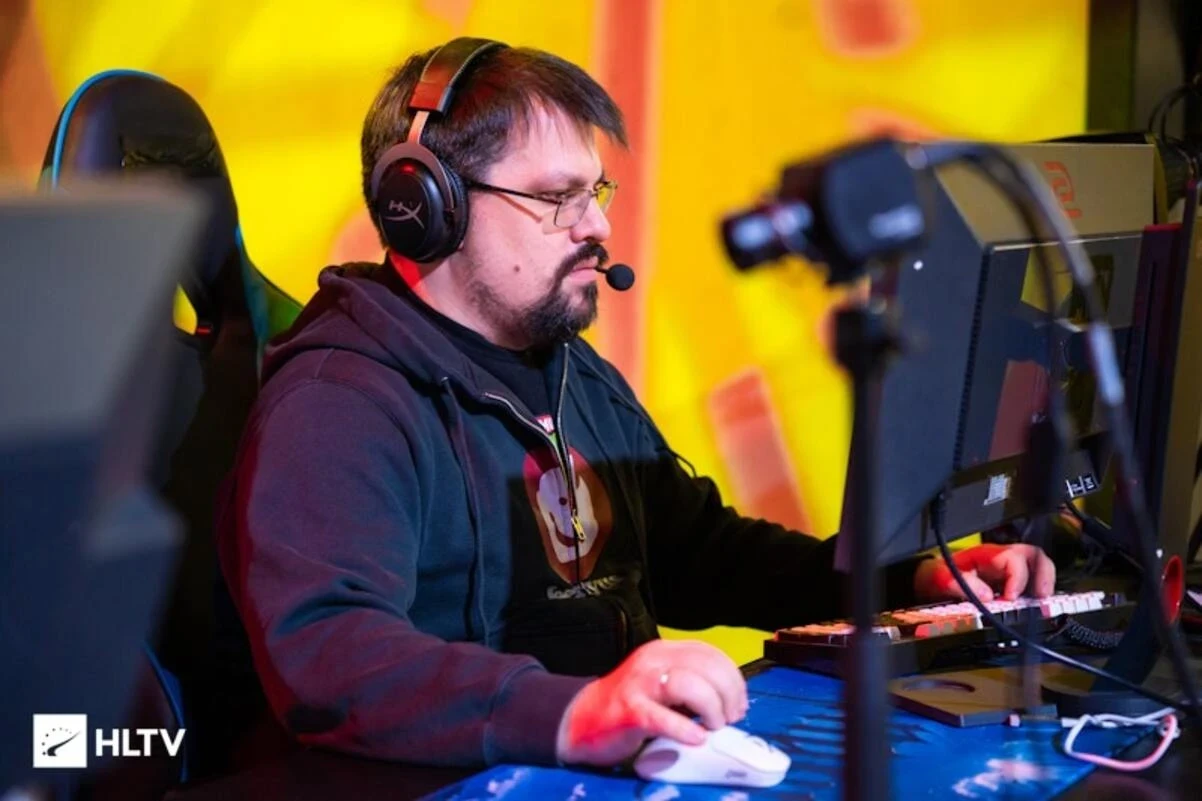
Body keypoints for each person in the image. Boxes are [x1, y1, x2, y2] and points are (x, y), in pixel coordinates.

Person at [214, 38, 1057, 771]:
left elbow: (699, 553)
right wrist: (578, 712)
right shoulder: (338, 404)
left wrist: (912, 579)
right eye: (558, 198)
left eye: (596, 193)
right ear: (425, 207)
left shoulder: (567, 370)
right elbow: (329, 653)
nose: (597, 228)